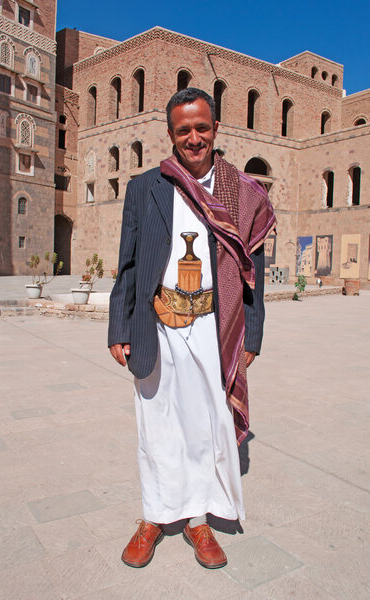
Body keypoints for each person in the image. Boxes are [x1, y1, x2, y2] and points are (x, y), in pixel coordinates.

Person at [108, 88, 276, 569]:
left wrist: (253, 336)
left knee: (205, 425)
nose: (194, 137)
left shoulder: (241, 193)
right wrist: (118, 326)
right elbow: (129, 264)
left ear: (216, 129)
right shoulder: (147, 187)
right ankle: (155, 516)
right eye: (184, 130)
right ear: (171, 135)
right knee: (156, 424)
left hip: (212, 325)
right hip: (156, 322)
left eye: (202, 127)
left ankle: (198, 520)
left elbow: (253, 273)